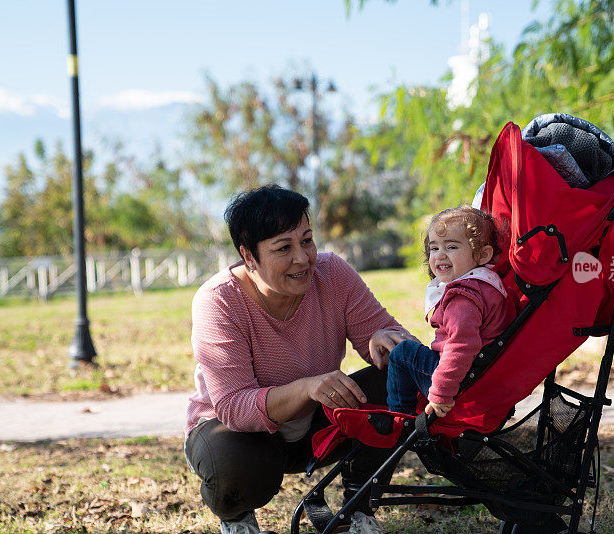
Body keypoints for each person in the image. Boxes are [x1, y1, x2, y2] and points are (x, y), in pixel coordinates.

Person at [184, 185, 412, 534]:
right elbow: (232, 407)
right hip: (240, 434)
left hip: (317, 425)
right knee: (234, 463)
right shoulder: (218, 301)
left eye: (307, 240)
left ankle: (359, 507)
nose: (303, 258)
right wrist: (306, 388)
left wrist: (388, 341)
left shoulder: (332, 273)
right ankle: (237, 517)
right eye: (283, 248)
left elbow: (390, 343)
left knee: (394, 380)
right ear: (248, 256)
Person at [380, 206, 515, 418]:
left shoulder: (463, 297)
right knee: (410, 350)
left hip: (463, 382)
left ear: (482, 254)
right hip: (481, 373)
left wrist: (440, 393)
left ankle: (399, 418)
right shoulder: (486, 284)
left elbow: (461, 346)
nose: (440, 255)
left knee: (402, 354)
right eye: (434, 249)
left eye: (451, 247)